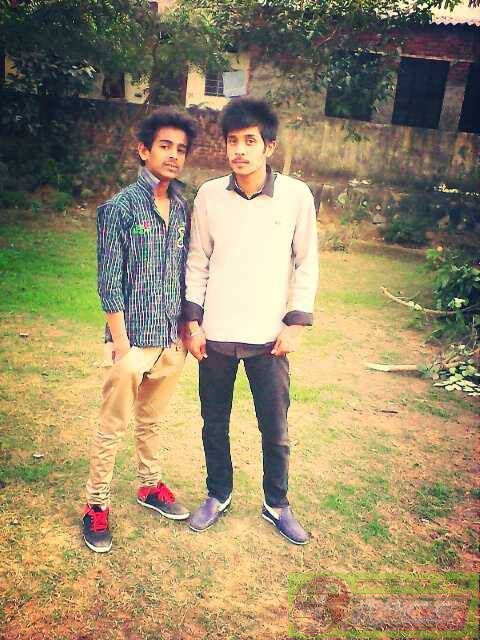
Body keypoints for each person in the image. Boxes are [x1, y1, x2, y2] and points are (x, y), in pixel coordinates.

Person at [183, 98, 318, 545]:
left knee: (275, 428)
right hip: (216, 334)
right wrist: (194, 322)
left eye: (249, 141)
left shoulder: (295, 196)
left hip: (269, 337)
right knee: (213, 422)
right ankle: (217, 494)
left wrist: (296, 322)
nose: (239, 150)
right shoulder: (209, 195)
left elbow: (306, 262)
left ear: (268, 146)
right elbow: (197, 261)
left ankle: (276, 504)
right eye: (232, 141)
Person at [82, 110, 197, 553]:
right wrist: (120, 344)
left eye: (181, 149)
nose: (173, 155)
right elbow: (108, 282)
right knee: (112, 425)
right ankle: (96, 504)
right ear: (144, 150)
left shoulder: (182, 209)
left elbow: (183, 272)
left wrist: (183, 331)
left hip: (170, 340)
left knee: (152, 421)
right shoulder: (119, 209)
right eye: (165, 146)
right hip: (131, 341)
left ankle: (149, 486)